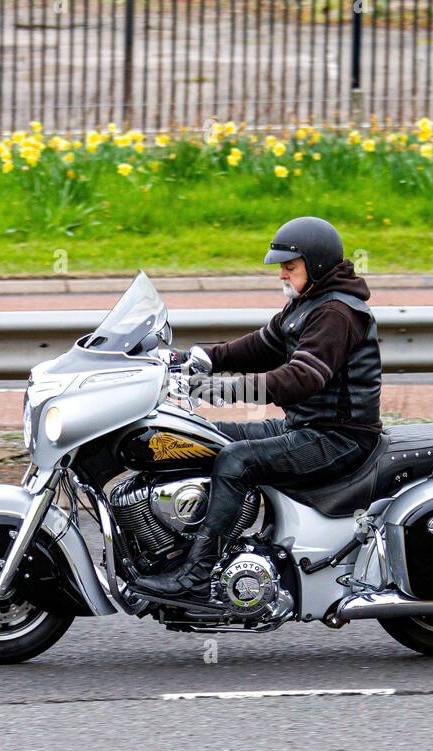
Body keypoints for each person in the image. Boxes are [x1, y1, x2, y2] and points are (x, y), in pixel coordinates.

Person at [131, 216, 383, 604]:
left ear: (314, 265)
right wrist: (195, 357)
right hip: (306, 427)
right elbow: (259, 346)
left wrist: (223, 389)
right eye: (281, 266)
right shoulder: (308, 303)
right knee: (201, 438)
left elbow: (302, 377)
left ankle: (197, 575)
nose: (281, 273)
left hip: (339, 438)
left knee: (237, 460)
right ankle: (180, 548)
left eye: (289, 266)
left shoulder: (336, 313)